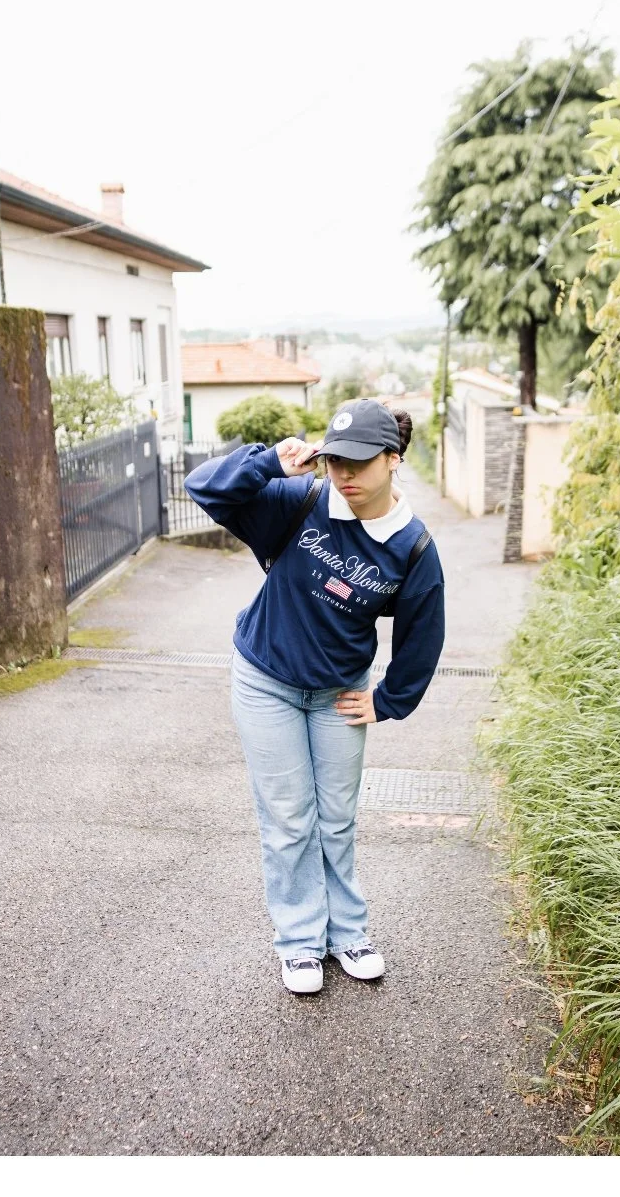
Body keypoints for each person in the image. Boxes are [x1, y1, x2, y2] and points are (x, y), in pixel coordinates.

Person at [184, 398, 446, 994]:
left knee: (335, 820)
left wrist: (389, 699)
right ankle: (300, 943)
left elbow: (423, 630)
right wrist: (270, 461)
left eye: (359, 463)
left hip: (338, 694)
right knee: (288, 820)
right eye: (334, 461)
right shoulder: (301, 500)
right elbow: (207, 489)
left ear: (393, 460)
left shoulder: (410, 546)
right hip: (265, 681)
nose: (344, 475)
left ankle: (348, 933)